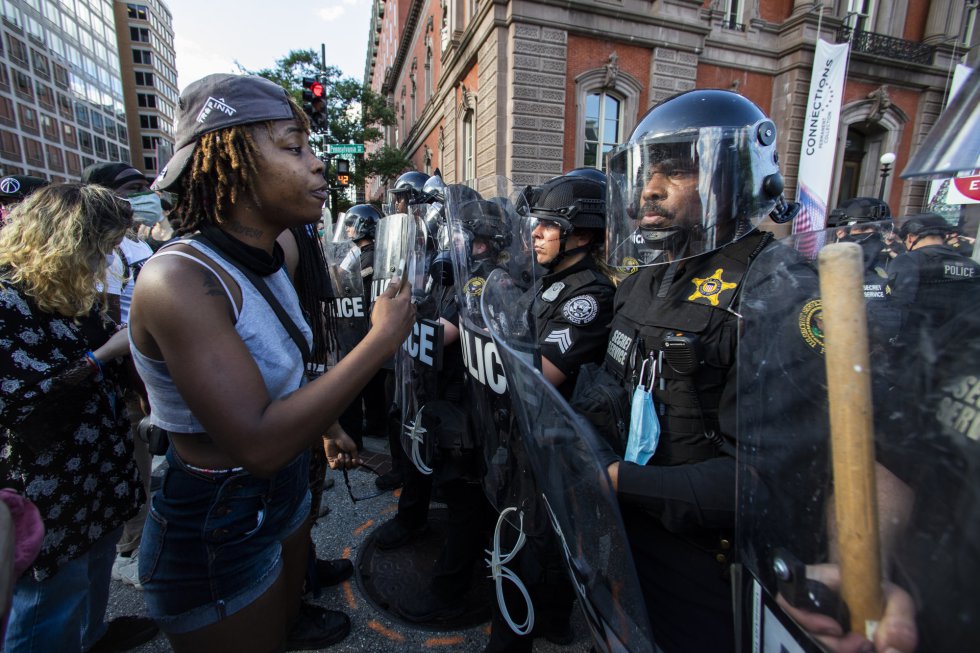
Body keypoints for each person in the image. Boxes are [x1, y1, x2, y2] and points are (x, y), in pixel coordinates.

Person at [129, 73, 414, 651]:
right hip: (220, 517)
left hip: (281, 493)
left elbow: (280, 371)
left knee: (285, 624)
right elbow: (257, 445)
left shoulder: (268, 254)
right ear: (227, 165)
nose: (316, 165)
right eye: (293, 148)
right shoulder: (179, 279)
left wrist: (326, 425)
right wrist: (381, 340)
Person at [589, 89, 799, 653]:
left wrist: (618, 480)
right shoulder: (642, 278)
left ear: (736, 177)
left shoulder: (777, 290)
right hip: (626, 532)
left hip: (706, 561)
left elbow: (763, 482)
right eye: (646, 172)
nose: (649, 190)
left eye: (676, 172)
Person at [0, 183, 158, 652]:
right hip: (44, 479)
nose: (106, 262)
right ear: (66, 241)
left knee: (93, 566)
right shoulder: (7, 302)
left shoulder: (70, 290)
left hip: (95, 465)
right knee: (49, 596)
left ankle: (93, 637)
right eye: (101, 249)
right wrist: (100, 356)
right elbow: (19, 401)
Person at [484, 173, 617, 651]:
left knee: (532, 551)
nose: (533, 233)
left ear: (580, 234)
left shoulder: (588, 295)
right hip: (526, 443)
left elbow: (538, 372)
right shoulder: (550, 282)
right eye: (533, 224)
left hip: (554, 452)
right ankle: (554, 622)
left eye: (547, 225)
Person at [80, 162, 158, 590]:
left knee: (147, 455)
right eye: (133, 189)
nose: (145, 195)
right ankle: (135, 544)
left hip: (143, 366)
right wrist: (128, 373)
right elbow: (107, 319)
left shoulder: (133, 244)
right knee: (134, 460)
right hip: (124, 372)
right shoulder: (104, 252)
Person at [887, 213, 980, 344]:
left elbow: (897, 304)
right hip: (959, 346)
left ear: (911, 237)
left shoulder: (908, 261)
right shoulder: (973, 265)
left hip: (918, 346)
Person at [335, 204, 384, 452]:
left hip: (363, 326)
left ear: (364, 227)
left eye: (352, 225)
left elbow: (346, 283)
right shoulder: (364, 252)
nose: (349, 230)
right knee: (373, 382)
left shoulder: (370, 256)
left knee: (362, 381)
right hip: (366, 326)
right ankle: (375, 422)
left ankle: (366, 430)